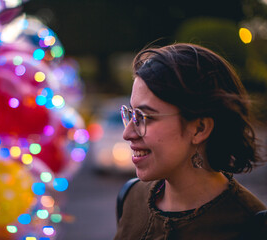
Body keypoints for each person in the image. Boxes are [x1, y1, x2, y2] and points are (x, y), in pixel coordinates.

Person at [114, 43, 267, 240]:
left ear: (200, 128)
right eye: (131, 114)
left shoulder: (252, 227)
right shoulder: (130, 197)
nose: (127, 134)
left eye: (145, 116)